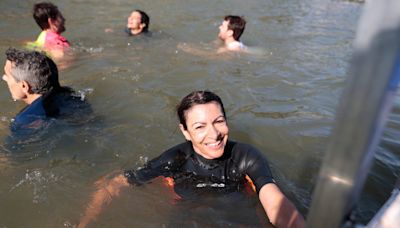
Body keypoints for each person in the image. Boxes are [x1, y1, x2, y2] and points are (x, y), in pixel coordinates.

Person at [78, 91, 305, 228]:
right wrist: (85, 222)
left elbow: (274, 202)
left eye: (219, 121)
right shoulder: (174, 159)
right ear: (185, 131)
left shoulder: (245, 156)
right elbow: (116, 183)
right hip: (187, 219)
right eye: (199, 126)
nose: (214, 134)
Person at [2, 48, 89, 132]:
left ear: (24, 86)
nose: (4, 78)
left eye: (8, 76)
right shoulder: (72, 96)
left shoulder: (23, 121)